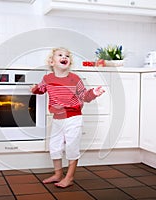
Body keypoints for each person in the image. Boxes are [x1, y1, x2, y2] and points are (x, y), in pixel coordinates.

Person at [30, 47, 105, 188]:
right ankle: (58, 174)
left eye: (67, 56)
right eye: (60, 55)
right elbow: (40, 89)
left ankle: (69, 177)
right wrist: (34, 89)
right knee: (55, 147)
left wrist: (94, 92)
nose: (64, 57)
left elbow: (84, 96)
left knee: (72, 147)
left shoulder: (74, 78)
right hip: (57, 119)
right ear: (52, 62)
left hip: (73, 118)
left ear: (69, 62)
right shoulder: (47, 78)